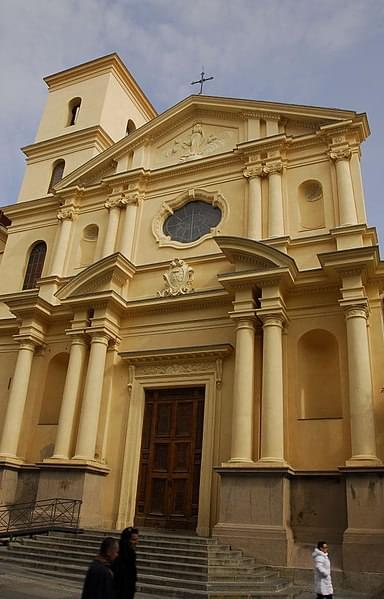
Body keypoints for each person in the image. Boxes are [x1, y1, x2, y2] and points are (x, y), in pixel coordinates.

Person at [112, 526, 139, 599]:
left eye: (137, 539)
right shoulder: (118, 557)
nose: (137, 542)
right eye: (133, 540)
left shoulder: (131, 555)